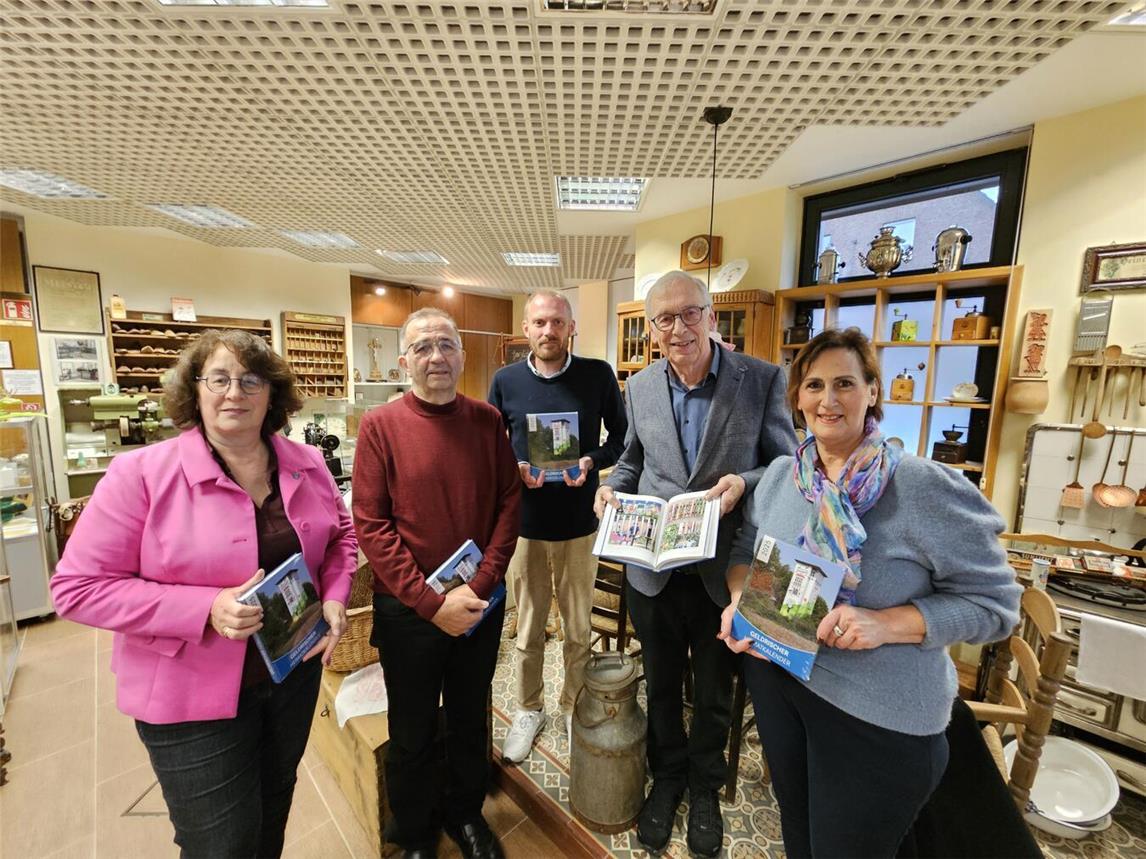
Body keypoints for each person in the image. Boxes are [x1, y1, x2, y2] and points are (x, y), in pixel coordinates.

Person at [51, 329, 356, 858]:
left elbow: (341, 538)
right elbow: (78, 588)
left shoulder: (305, 463)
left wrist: (333, 595)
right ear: (195, 390)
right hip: (190, 699)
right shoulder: (141, 474)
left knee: (270, 816)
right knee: (220, 844)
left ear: (272, 394)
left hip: (290, 677)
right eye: (218, 378)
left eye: (251, 380)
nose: (233, 392)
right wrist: (204, 608)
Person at [718, 327, 1022, 859]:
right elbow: (745, 549)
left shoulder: (923, 487)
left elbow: (996, 607)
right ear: (797, 398)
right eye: (813, 385)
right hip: (781, 680)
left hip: (877, 715)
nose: (827, 400)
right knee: (800, 829)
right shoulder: (781, 477)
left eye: (844, 384)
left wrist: (887, 623)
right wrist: (742, 600)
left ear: (873, 391)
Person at [593, 270, 796, 857]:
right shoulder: (640, 387)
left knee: (713, 691)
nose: (678, 328)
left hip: (724, 570)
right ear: (651, 330)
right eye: (664, 318)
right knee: (659, 683)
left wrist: (742, 482)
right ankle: (669, 778)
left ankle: (705, 788)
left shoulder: (761, 380)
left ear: (711, 317)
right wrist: (610, 490)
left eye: (690, 313)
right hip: (653, 571)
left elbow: (784, 470)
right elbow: (632, 461)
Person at [352, 308, 520, 859]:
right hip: (408, 610)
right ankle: (416, 831)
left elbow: (508, 503)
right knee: (413, 726)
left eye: (445, 345)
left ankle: (466, 814)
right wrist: (429, 603)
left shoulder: (487, 420)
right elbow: (371, 525)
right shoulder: (379, 427)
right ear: (404, 361)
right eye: (422, 348)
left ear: (463, 356)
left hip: (478, 602)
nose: (436, 357)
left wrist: (483, 584)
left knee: (471, 714)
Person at [488, 290, 627, 759]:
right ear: (526, 328)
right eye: (540, 322)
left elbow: (622, 441)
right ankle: (529, 709)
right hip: (525, 527)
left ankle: (572, 706)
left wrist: (591, 459)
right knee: (527, 630)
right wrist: (515, 468)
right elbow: (491, 448)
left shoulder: (598, 375)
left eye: (558, 322)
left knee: (577, 628)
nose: (549, 331)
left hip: (579, 526)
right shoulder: (505, 381)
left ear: (571, 328)